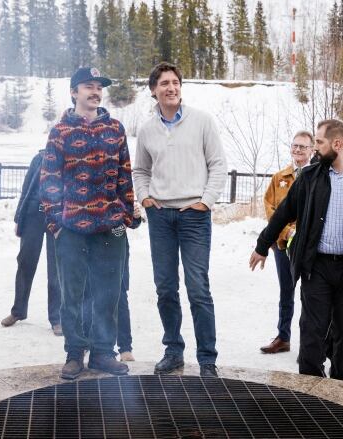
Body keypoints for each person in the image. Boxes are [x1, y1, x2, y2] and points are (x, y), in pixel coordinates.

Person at [249, 119, 343, 381]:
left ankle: (339, 389)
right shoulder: (310, 176)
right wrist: (263, 245)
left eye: (319, 142)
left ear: (337, 144)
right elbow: (284, 213)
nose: (315, 148)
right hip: (316, 266)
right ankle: (309, 392)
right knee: (311, 332)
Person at [133, 62, 228, 377]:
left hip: (193, 217)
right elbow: (140, 169)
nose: (170, 88)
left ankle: (207, 359)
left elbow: (217, 165)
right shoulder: (147, 129)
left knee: (198, 287)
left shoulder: (202, 121)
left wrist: (205, 201)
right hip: (160, 216)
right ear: (154, 90)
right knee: (165, 287)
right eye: (164, 83)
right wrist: (145, 197)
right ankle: (173, 350)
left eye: (175, 82)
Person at [40, 67, 135, 380]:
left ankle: (103, 353)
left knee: (108, 293)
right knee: (73, 295)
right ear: (73, 92)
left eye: (98, 87)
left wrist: (124, 212)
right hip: (72, 230)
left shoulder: (116, 129)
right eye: (88, 87)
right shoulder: (60, 132)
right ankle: (74, 354)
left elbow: (125, 175)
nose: (95, 92)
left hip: (109, 228)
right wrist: (57, 224)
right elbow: (49, 181)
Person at [259, 130, 314, 354]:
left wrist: (300, 233)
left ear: (312, 150)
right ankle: (283, 337)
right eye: (295, 146)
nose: (298, 150)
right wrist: (287, 233)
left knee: (312, 295)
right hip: (283, 245)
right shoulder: (279, 177)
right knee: (286, 291)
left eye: (303, 146)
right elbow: (271, 210)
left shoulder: (317, 177)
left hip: (310, 246)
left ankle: (310, 345)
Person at [1, 149, 62, 336]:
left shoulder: (72, 157)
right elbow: (27, 189)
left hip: (59, 218)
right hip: (34, 215)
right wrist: (19, 219)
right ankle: (18, 311)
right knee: (25, 263)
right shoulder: (39, 157)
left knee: (56, 268)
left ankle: (57, 318)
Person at [82, 206, 141, 361]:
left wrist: (134, 215)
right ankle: (85, 342)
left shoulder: (120, 183)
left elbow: (133, 221)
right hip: (89, 237)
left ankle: (125, 347)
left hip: (116, 240)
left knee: (119, 295)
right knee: (87, 293)